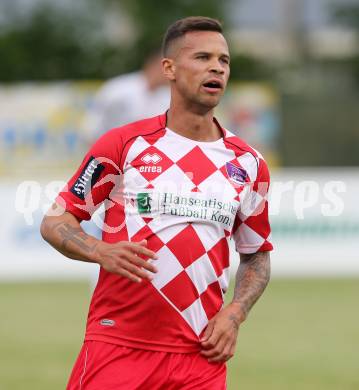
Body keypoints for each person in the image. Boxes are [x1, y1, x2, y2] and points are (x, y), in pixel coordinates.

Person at [40, 16, 273, 389]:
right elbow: (56, 221)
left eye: (224, 60)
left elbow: (257, 254)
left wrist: (235, 313)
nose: (216, 67)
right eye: (202, 57)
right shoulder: (123, 144)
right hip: (119, 348)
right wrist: (100, 250)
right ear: (169, 68)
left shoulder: (248, 164)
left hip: (201, 357)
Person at [85, 49, 170, 140]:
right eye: (169, 67)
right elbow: (94, 126)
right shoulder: (118, 89)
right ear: (154, 64)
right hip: (111, 149)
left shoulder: (168, 96)